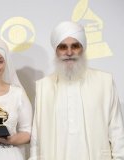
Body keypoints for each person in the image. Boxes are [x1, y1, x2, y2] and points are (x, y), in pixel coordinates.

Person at [29, 21, 124, 160]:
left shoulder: (105, 81)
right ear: (56, 51)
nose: (69, 52)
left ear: (83, 48)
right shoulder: (43, 87)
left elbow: (117, 131)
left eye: (75, 46)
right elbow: (36, 136)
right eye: (63, 47)